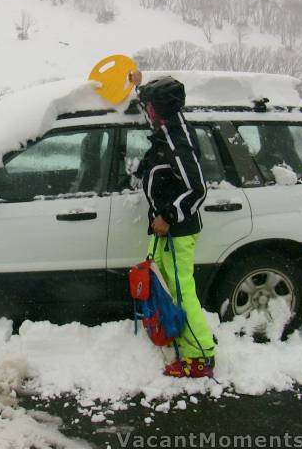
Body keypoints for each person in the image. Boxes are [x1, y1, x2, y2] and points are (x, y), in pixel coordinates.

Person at [131, 71, 216, 378]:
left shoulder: (177, 139)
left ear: (162, 109)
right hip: (165, 230)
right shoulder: (167, 127)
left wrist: (167, 216)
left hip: (177, 230)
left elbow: (197, 189)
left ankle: (201, 356)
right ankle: (187, 343)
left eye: (150, 106)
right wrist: (135, 84)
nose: (147, 111)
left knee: (182, 293)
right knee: (168, 290)